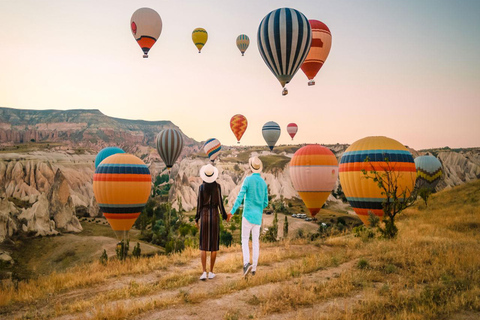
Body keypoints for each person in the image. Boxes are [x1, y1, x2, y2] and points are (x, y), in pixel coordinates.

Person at [228, 156, 268, 277]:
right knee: (256, 242)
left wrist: (232, 211)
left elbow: (240, 197)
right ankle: (254, 268)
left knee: (245, 240)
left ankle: (246, 264)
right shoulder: (263, 183)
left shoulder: (247, 180)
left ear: (251, 168)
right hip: (257, 217)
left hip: (247, 216)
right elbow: (266, 202)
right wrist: (259, 207)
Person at [195, 163, 227, 280]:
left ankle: (203, 272)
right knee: (213, 246)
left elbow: (199, 205)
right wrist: (224, 216)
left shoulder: (201, 188)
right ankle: (211, 272)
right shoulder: (217, 187)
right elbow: (220, 203)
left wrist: (196, 219)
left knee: (203, 246)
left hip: (204, 216)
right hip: (214, 216)